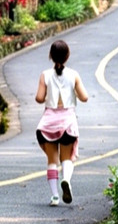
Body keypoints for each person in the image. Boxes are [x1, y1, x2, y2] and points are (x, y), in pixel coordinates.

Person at [35, 39, 89, 206]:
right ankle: (66, 179)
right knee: (67, 158)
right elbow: (84, 97)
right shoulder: (74, 75)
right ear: (67, 56)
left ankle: (55, 196)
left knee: (52, 160)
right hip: (67, 122)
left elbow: (39, 98)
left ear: (51, 56)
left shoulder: (45, 75)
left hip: (48, 123)